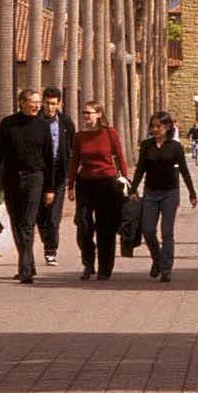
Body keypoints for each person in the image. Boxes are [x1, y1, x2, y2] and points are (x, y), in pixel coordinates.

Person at [0, 88, 57, 283]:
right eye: (33, 102)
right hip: (12, 179)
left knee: (27, 223)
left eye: (38, 102)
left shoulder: (42, 126)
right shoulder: (8, 124)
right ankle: (29, 264)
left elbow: (49, 159)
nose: (37, 106)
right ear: (21, 102)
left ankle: (24, 270)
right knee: (17, 224)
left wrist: (50, 188)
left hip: (35, 178)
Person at [130, 111, 197, 283]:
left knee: (167, 232)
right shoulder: (146, 146)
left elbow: (184, 170)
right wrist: (133, 189)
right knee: (148, 229)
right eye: (153, 126)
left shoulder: (175, 147)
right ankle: (157, 258)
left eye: (158, 126)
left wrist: (192, 192)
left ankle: (166, 268)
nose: (155, 129)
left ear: (167, 127)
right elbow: (140, 169)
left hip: (170, 193)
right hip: (151, 192)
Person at [67, 100, 128, 280]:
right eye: (84, 113)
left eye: (89, 113)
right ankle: (88, 262)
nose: (86, 116)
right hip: (85, 184)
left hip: (107, 184)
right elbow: (74, 162)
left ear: (99, 114)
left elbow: (120, 157)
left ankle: (105, 269)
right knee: (84, 226)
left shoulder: (110, 133)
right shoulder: (79, 137)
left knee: (105, 228)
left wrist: (125, 181)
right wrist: (70, 185)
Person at [36, 86, 73, 267]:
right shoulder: (35, 121)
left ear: (59, 104)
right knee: (40, 215)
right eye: (47, 103)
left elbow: (72, 147)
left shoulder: (65, 122)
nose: (50, 107)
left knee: (53, 215)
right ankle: (46, 238)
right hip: (39, 173)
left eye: (53, 104)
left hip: (59, 174)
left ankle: (51, 250)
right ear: (42, 102)